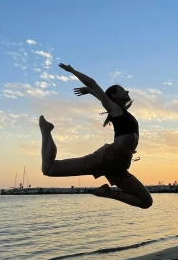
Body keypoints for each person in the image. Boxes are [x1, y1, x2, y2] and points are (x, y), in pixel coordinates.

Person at [39, 63, 153, 209]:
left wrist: (91, 92)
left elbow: (97, 93)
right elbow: (92, 82)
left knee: (146, 202)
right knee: (49, 169)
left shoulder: (123, 112)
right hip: (105, 159)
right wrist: (72, 70)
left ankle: (106, 192)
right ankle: (46, 130)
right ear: (114, 95)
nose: (127, 91)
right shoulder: (115, 109)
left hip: (119, 166)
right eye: (123, 90)